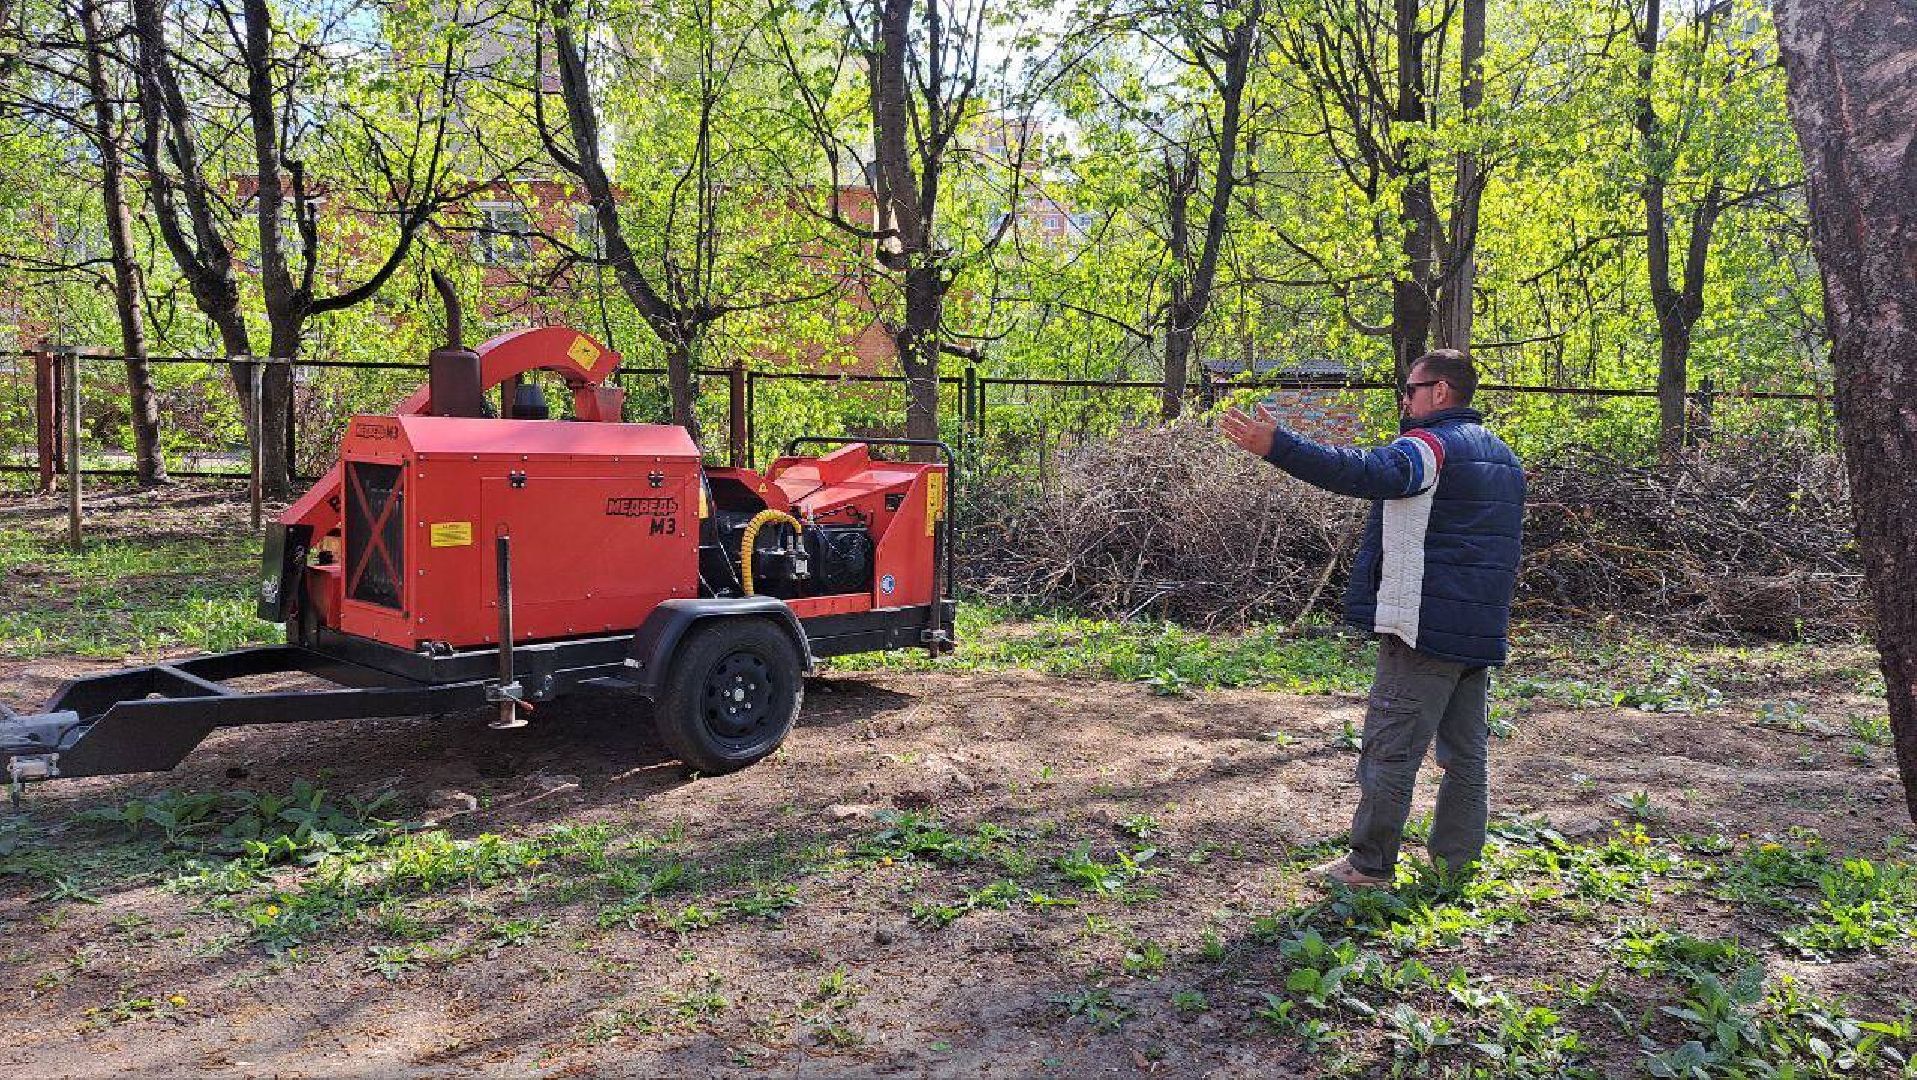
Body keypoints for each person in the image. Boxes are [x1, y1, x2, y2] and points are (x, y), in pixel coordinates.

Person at [1221, 349, 1524, 886]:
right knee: (1467, 756)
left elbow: (1361, 471)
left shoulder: (1429, 448)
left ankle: (1369, 866)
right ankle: (1457, 866)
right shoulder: (1503, 457)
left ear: (1440, 392)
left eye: (1410, 389)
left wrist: (1281, 447)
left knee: (1389, 750)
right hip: (1476, 632)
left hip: (1422, 629)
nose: (1404, 400)